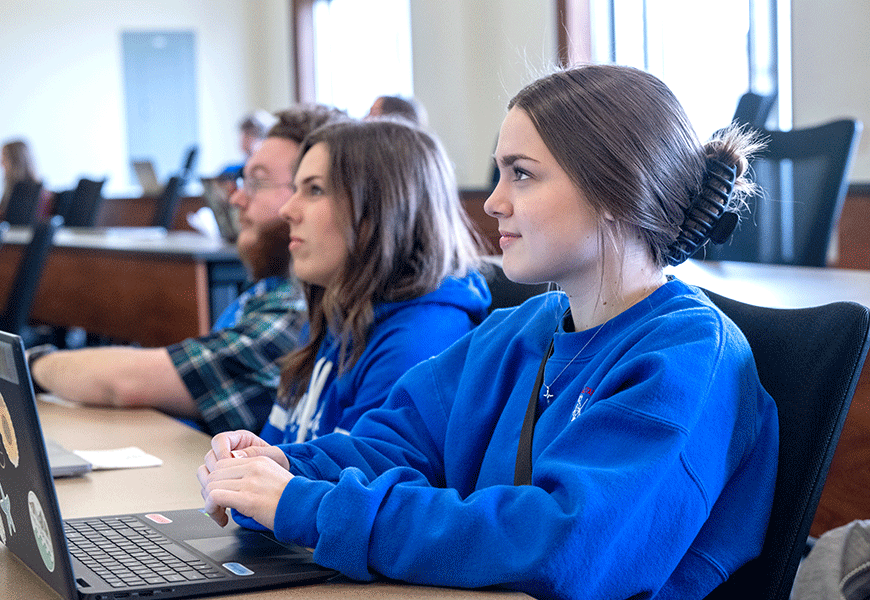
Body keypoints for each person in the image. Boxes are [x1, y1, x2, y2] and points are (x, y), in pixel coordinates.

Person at [198, 65, 780, 599]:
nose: (494, 202)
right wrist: (278, 469)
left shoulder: (687, 359)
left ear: (615, 192)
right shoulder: (518, 332)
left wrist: (305, 506)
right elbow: (394, 445)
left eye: (522, 175)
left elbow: (558, 544)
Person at [28, 104, 347, 435]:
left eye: (257, 181)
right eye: (242, 180)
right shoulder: (267, 293)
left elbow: (128, 382)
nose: (236, 198)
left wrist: (30, 363)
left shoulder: (298, 311)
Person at [256, 117, 490, 445]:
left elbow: (354, 487)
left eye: (315, 190)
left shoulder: (419, 340)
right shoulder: (334, 315)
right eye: (296, 189)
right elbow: (269, 457)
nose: (288, 210)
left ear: (380, 208)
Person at [218, 109, 275, 182]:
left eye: (251, 134)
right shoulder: (229, 171)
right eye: (244, 134)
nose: (245, 139)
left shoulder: (271, 172)